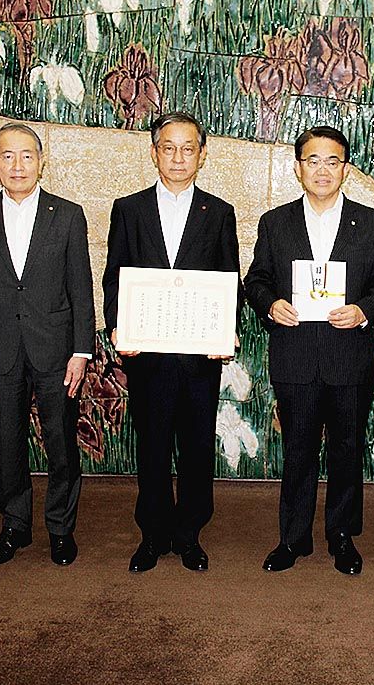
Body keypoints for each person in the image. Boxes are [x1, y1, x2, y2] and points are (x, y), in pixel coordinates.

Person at [244, 126, 374, 575]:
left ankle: (342, 536)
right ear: (298, 168)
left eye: (333, 161)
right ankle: (292, 539)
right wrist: (270, 304)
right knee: (298, 452)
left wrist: (364, 310)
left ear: (345, 169)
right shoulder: (276, 222)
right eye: (313, 160)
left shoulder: (372, 224)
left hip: (349, 356)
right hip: (295, 356)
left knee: (347, 451)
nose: (323, 170)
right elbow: (256, 279)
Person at [102, 112, 240, 573]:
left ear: (202, 155)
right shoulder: (129, 209)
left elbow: (229, 279)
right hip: (148, 354)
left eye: (188, 149)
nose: (178, 157)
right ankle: (153, 534)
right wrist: (118, 326)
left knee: (197, 448)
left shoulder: (219, 212)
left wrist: (226, 330)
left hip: (200, 356)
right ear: (154, 152)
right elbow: (115, 275)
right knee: (153, 448)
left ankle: (189, 535)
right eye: (168, 148)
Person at [0, 122, 95, 568]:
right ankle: (14, 525)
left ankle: (60, 529)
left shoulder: (68, 214)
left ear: (41, 162)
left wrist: (81, 351)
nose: (17, 165)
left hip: (56, 349)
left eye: (26, 156)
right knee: (7, 442)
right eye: (7, 156)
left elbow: (81, 288)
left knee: (61, 442)